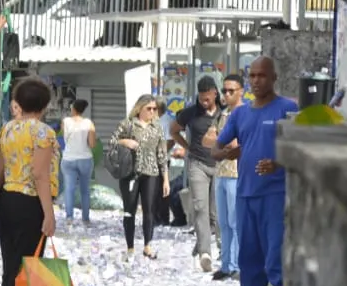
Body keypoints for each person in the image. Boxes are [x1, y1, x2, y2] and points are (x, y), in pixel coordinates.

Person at [212, 57, 296, 286]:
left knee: (275, 255)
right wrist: (226, 153)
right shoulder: (240, 114)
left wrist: (278, 162)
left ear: (274, 77)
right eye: (253, 76)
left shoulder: (288, 109)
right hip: (245, 193)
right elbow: (216, 147)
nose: (257, 80)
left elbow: (298, 149)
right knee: (249, 255)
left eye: (263, 75)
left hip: (275, 194)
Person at [0, 77, 60, 286]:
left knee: (10, 268)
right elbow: (40, 175)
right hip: (30, 203)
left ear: (19, 102)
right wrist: (49, 213)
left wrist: (2, 189)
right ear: (44, 105)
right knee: (26, 267)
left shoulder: (7, 129)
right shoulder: (44, 133)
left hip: (8, 200)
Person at [171, 76, 223, 272]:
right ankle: (205, 253)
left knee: (215, 214)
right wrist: (188, 147)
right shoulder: (191, 113)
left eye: (207, 99)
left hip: (219, 165)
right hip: (198, 165)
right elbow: (173, 130)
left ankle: (207, 247)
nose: (204, 102)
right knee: (200, 208)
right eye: (201, 98)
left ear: (214, 94)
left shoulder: (224, 113)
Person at [110, 94, 170, 259]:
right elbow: (112, 141)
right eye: (148, 108)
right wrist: (125, 142)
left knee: (149, 209)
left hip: (151, 172)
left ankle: (147, 245)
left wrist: (165, 179)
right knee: (129, 209)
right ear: (140, 109)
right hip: (131, 173)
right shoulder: (128, 124)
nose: (152, 112)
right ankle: (130, 247)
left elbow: (162, 154)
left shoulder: (157, 127)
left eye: (154, 109)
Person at [203, 74, 244, 281]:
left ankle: (237, 264)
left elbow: (238, 144)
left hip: (237, 173)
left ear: (241, 92)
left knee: (236, 221)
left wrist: (221, 142)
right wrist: (223, 142)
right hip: (221, 172)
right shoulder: (222, 115)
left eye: (231, 91)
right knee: (223, 222)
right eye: (224, 91)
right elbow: (206, 140)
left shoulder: (245, 113)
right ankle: (226, 264)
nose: (226, 95)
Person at [58, 98, 96, 226]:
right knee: (85, 190)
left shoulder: (65, 121)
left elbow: (65, 136)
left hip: (68, 159)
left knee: (69, 189)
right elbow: (91, 144)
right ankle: (85, 219)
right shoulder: (89, 123)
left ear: (73, 108)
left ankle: (69, 218)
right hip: (85, 159)